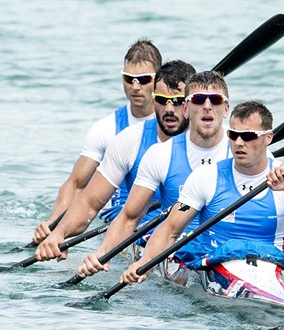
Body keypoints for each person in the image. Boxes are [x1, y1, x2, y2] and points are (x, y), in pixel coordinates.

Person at [120, 100, 284, 285]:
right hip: (214, 268)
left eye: (248, 136)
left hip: (270, 268)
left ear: (268, 137)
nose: (239, 143)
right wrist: (144, 264)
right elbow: (170, 230)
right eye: (233, 135)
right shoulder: (207, 177)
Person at [34, 60, 196, 262]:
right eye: (162, 100)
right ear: (153, 100)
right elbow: (90, 202)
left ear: (191, 103)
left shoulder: (223, 145)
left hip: (200, 237)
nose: (170, 109)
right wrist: (59, 234)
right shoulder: (129, 140)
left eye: (178, 101)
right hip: (143, 232)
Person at [77, 70, 233, 277]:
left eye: (215, 100)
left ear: (226, 109)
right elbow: (130, 217)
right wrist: (102, 254)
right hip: (176, 247)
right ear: (186, 109)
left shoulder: (244, 152)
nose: (207, 106)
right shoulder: (161, 154)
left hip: (227, 247)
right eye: (198, 100)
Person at [32, 39, 162, 244]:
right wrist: (54, 226)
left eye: (144, 79)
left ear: (159, 79)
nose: (135, 87)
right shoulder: (106, 128)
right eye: (129, 79)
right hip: (121, 220)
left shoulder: (177, 122)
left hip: (164, 216)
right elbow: (76, 184)